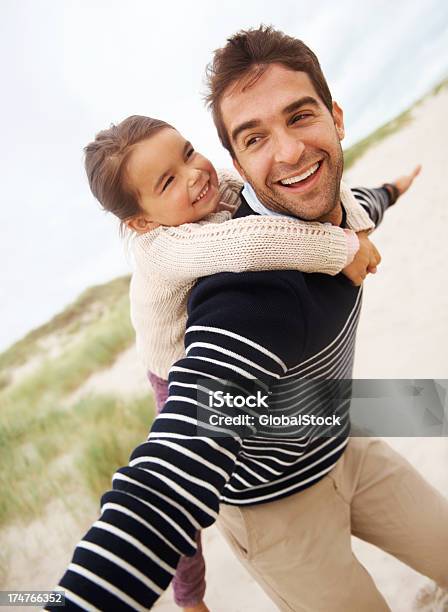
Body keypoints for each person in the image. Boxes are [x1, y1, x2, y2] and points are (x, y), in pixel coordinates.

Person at [48, 26, 447, 612]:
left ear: (336, 117)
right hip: (272, 508)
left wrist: (393, 189)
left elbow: (356, 206)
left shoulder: (300, 207)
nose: (286, 153)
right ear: (240, 156)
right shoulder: (234, 294)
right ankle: (191, 595)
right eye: (255, 137)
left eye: (300, 116)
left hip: (346, 441)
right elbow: (173, 467)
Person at [82, 114, 380, 612]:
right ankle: (190, 597)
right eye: (168, 181)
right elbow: (249, 242)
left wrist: (357, 216)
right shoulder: (162, 245)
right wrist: (344, 245)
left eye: (187, 152)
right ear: (142, 219)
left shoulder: (212, 186)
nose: (195, 172)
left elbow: (291, 197)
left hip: (244, 367)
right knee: (191, 476)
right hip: (174, 366)